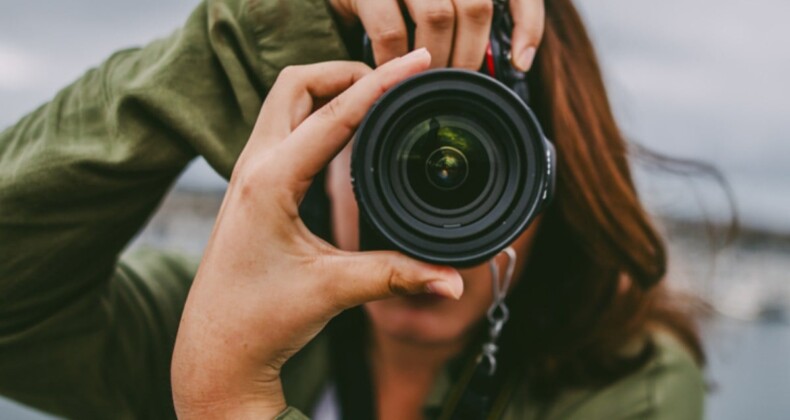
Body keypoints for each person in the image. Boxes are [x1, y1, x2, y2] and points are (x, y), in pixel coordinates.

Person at [0, 0, 705, 419]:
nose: (433, 233)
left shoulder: (631, 385)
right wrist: (243, 41)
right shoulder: (210, 322)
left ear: (551, 188)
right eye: (390, 148)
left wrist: (232, 403)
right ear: (319, 159)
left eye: (483, 170)